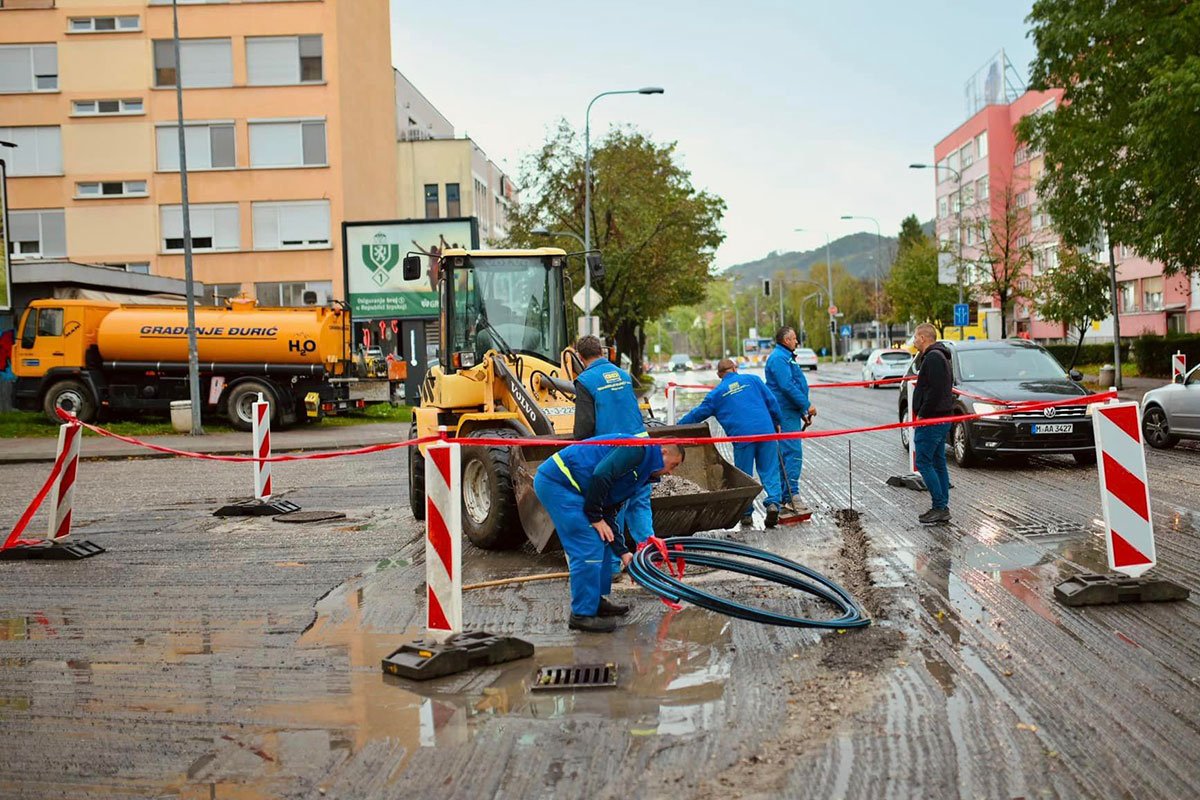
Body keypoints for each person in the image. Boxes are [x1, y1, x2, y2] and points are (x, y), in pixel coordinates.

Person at [533, 438, 685, 632]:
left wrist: (623, 553)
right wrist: (595, 517)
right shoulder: (638, 450)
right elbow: (601, 474)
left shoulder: (642, 472)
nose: (671, 473)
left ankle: (595, 602)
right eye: (673, 465)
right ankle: (581, 615)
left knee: (603, 538)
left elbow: (609, 510)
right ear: (663, 452)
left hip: (577, 488)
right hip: (559, 483)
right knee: (588, 543)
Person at [572, 335, 656, 555]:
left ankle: (614, 561)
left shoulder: (585, 381)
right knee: (639, 502)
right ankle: (650, 555)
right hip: (642, 445)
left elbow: (584, 427)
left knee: (613, 507)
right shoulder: (623, 375)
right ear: (603, 352)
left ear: (580, 357)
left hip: (615, 451)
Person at [678, 358, 783, 527]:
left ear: (719, 374)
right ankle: (773, 503)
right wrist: (777, 421)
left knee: (744, 475)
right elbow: (772, 402)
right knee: (770, 470)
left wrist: (676, 427)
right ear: (735, 368)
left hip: (742, 437)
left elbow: (696, 415)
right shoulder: (753, 380)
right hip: (766, 431)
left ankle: (746, 513)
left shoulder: (716, 394)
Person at [764, 326, 813, 514]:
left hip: (789, 412)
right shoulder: (779, 358)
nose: (796, 341)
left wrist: (801, 411)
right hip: (783, 413)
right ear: (786, 340)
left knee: (786, 454)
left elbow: (791, 385)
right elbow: (787, 386)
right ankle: (791, 495)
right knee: (792, 453)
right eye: (794, 338)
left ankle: (785, 496)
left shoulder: (785, 357)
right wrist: (807, 405)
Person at [911, 323, 954, 523]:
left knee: (923, 462)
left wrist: (922, 414)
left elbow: (935, 391)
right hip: (941, 418)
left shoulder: (933, 358)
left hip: (932, 419)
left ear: (923, 338)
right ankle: (942, 505)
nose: (913, 341)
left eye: (915, 337)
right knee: (938, 462)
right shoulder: (940, 356)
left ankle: (939, 506)